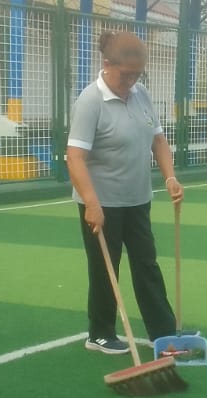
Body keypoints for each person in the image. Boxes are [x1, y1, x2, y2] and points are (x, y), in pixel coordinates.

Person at [66, 30, 185, 355]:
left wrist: (170, 177)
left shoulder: (140, 93)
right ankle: (100, 333)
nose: (131, 80)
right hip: (101, 202)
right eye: (126, 74)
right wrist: (91, 203)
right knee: (106, 268)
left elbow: (158, 140)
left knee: (147, 264)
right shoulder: (90, 101)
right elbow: (75, 157)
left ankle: (163, 332)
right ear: (107, 64)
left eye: (137, 74)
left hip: (137, 198)